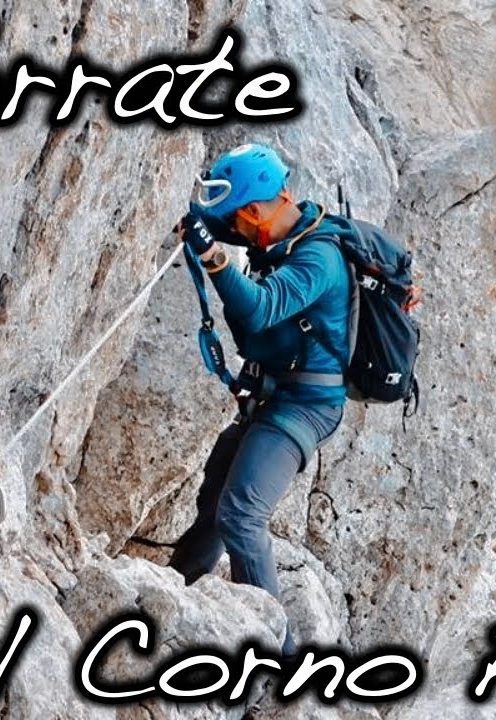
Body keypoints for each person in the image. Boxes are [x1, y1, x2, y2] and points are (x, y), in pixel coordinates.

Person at [168, 143, 352, 656]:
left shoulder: (319, 258)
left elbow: (261, 309)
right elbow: (224, 225)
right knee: (216, 503)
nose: (235, 231)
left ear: (253, 210)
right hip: (274, 397)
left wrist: (212, 255)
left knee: (242, 515)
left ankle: (278, 659)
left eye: (237, 220)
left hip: (305, 407)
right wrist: (199, 225)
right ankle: (175, 592)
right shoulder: (284, 230)